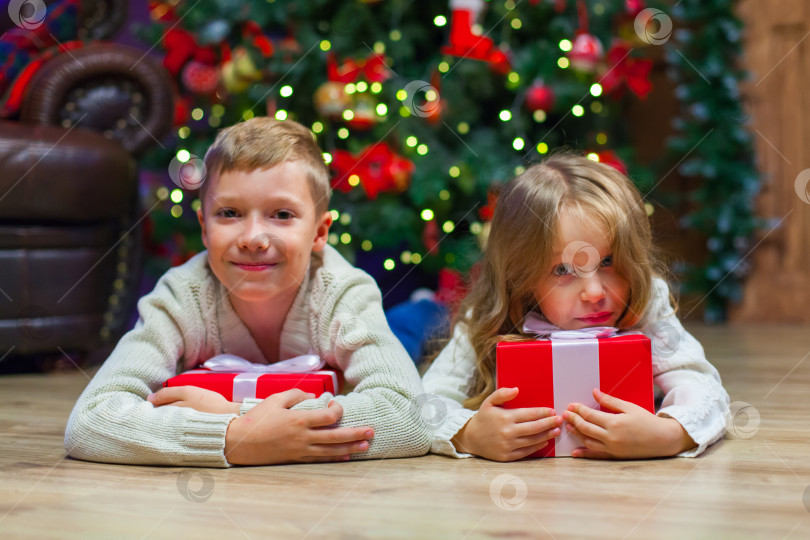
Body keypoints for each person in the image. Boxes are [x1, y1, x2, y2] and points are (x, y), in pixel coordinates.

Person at [65, 118, 431, 467]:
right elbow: (91, 420)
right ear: (204, 229)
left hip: (360, 331)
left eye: (282, 215)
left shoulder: (343, 292)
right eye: (229, 213)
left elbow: (409, 416)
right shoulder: (183, 295)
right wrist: (232, 439)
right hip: (319, 359)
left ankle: (427, 305)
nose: (253, 238)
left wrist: (235, 418)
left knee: (412, 329)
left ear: (320, 233)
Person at [422, 153, 730, 461]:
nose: (595, 292)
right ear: (520, 277)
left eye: (608, 261)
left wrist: (670, 435)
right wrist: (468, 434)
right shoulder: (487, 318)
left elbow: (701, 385)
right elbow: (424, 404)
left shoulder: (647, 299)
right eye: (562, 270)